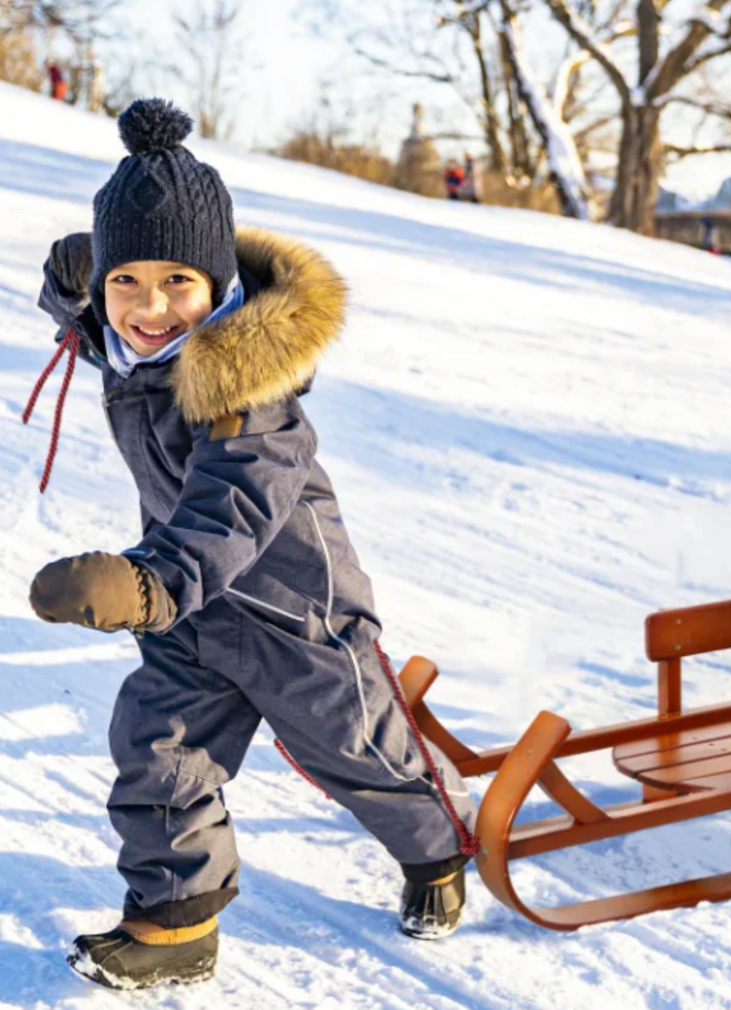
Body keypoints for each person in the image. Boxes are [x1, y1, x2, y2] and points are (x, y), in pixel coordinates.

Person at [25, 99, 477, 991]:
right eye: (126, 282)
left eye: (177, 283)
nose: (150, 309)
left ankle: (437, 855)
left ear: (223, 286)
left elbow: (231, 510)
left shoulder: (250, 397)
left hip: (294, 615)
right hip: (197, 619)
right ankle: (174, 926)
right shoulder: (137, 347)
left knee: (365, 760)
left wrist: (148, 586)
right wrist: (69, 286)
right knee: (155, 747)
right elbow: (94, 331)